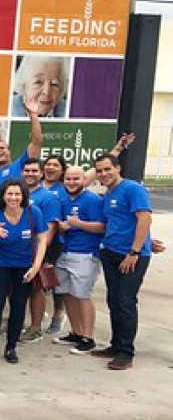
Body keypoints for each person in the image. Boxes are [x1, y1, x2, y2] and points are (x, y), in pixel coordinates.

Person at [91, 154, 153, 371]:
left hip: (131, 256)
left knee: (126, 302)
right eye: (99, 170)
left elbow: (144, 218)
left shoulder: (132, 189)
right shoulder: (108, 194)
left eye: (107, 169)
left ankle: (126, 353)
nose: (103, 174)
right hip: (111, 252)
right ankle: (116, 345)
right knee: (114, 301)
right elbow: (118, 223)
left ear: (118, 168)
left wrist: (135, 251)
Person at [0, 180, 49, 364]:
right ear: (2, 196)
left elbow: (42, 240)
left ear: (23, 196)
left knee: (18, 306)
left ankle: (11, 347)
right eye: (10, 194)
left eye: (17, 194)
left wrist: (35, 266)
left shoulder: (34, 213)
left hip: (24, 265)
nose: (13, 198)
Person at [53, 165, 105, 355]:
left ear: (84, 180)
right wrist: (62, 228)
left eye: (76, 179)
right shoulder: (63, 199)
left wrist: (78, 224)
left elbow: (102, 226)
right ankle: (76, 332)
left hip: (85, 254)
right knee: (67, 293)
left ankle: (88, 338)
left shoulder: (92, 200)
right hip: (65, 252)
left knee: (82, 295)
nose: (72, 182)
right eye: (68, 179)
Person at [22, 159, 64, 343]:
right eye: (26, 170)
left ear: (40, 174)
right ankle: (18, 322)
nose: (30, 174)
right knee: (16, 287)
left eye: (34, 171)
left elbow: (50, 228)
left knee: (37, 288)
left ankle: (36, 327)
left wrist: (40, 252)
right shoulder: (18, 194)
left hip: (39, 248)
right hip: (18, 249)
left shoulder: (48, 197)